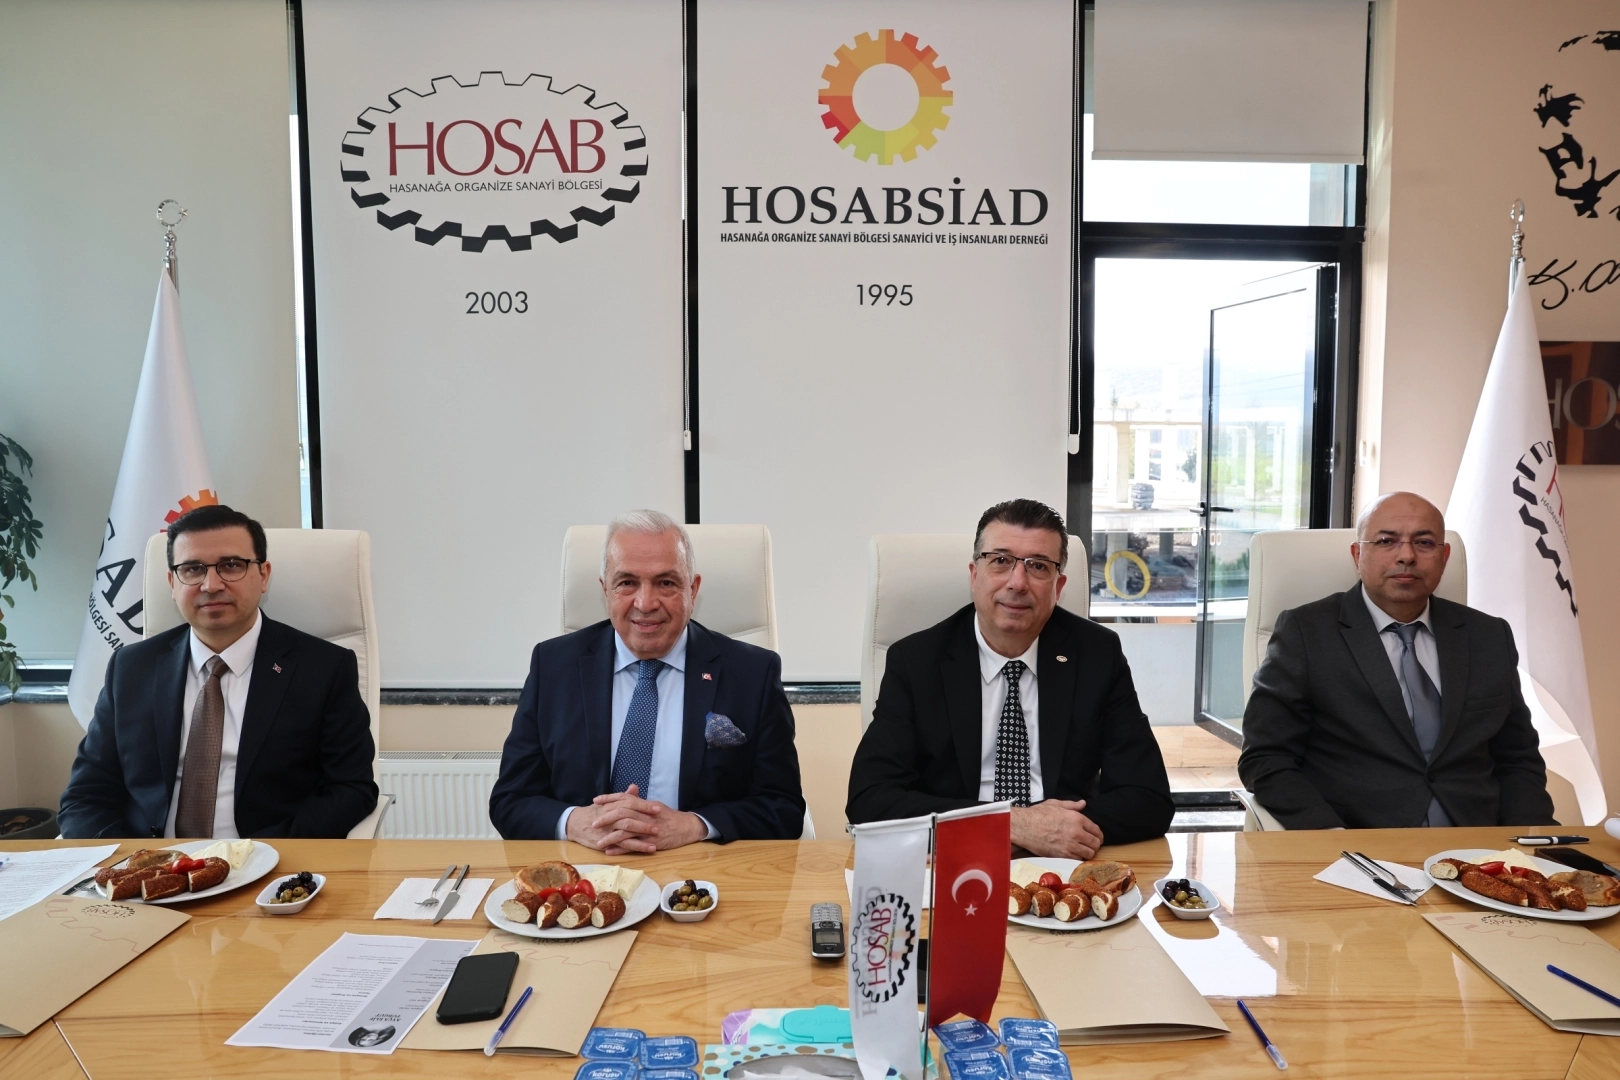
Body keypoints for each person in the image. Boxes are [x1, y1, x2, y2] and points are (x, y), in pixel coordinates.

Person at [846, 499, 1174, 857]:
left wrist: (1056, 830)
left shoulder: (1097, 655)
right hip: (959, 861)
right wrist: (1011, 825)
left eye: (1038, 566)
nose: (1018, 583)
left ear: (1058, 587)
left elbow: (1149, 799)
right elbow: (870, 801)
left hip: (1065, 866)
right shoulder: (916, 662)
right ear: (975, 574)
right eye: (1000, 561)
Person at [489, 510, 805, 850]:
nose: (645, 603)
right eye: (627, 583)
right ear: (605, 590)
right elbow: (510, 800)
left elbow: (783, 808)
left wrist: (696, 825)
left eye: (666, 583)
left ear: (693, 589)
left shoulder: (753, 673)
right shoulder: (553, 666)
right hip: (585, 870)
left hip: (698, 869)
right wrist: (574, 823)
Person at [1238, 491, 1556, 829]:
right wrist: (1330, 836)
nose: (1406, 556)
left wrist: (1532, 841)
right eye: (1386, 541)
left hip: (1476, 843)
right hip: (1360, 842)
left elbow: (1518, 759)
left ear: (1444, 556)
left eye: (1424, 543)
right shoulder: (1306, 633)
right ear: (1358, 555)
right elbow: (1266, 758)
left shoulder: (1488, 636)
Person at [59, 505, 378, 839]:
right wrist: (126, 862)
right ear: (172, 582)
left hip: (268, 859)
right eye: (192, 569)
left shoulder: (323, 669)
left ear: (263, 575)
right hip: (151, 862)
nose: (211, 585)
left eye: (231, 565)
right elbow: (86, 794)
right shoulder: (131, 669)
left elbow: (351, 788)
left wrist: (265, 855)